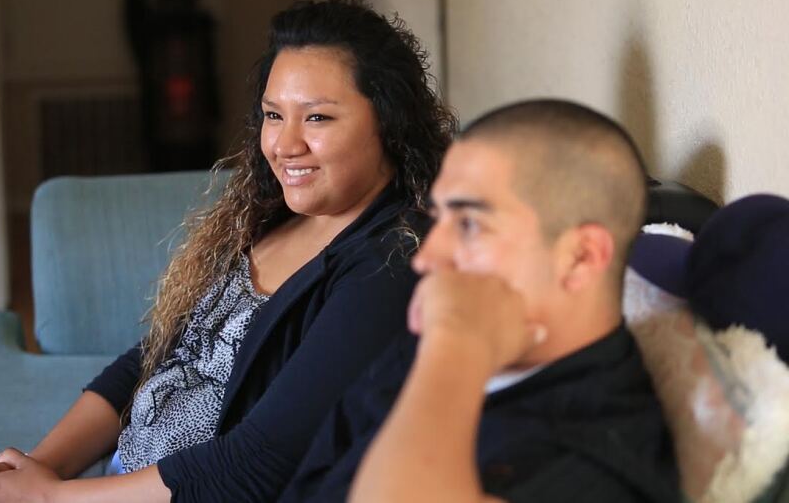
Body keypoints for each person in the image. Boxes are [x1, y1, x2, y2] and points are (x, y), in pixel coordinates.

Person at [0, 0, 455, 502]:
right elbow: (153, 359)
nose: (285, 144)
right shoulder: (271, 213)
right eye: (274, 115)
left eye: (317, 118)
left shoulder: (389, 265)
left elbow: (257, 466)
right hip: (109, 486)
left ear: (388, 121)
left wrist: (55, 498)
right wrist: (36, 471)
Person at [280, 99, 681, 502]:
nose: (426, 258)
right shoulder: (424, 349)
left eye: (470, 224)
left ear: (581, 257)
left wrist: (457, 340)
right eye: (437, 220)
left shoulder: (600, 461)